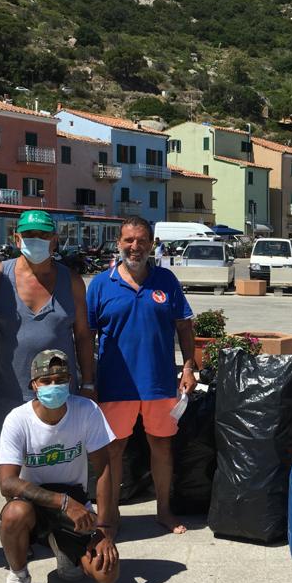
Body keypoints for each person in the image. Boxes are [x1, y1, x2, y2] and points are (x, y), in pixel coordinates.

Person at [86, 216, 197, 534]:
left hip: (159, 383)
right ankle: (109, 517)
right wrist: (88, 381)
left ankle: (164, 511)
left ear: (152, 244)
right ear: (119, 243)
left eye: (142, 241)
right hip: (114, 385)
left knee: (161, 446)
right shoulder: (100, 284)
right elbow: (86, 335)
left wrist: (188, 366)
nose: (135, 247)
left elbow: (185, 325)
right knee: (113, 451)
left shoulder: (166, 280)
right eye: (128, 240)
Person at [0, 349, 120, 583]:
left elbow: (104, 468)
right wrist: (63, 502)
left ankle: (65, 550)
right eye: (47, 381)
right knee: (14, 514)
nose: (55, 386)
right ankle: (18, 576)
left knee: (107, 575)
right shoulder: (18, 419)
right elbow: (7, 483)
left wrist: (104, 529)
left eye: (61, 380)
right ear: (34, 385)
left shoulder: (86, 411)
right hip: (33, 502)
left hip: (75, 501)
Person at [0, 210, 95, 447]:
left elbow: (83, 336)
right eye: (29, 234)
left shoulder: (72, 281)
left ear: (54, 240)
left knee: (60, 462)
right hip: (10, 396)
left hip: (60, 393)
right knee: (12, 474)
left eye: (43, 235)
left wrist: (88, 383)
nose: (36, 240)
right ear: (17, 239)